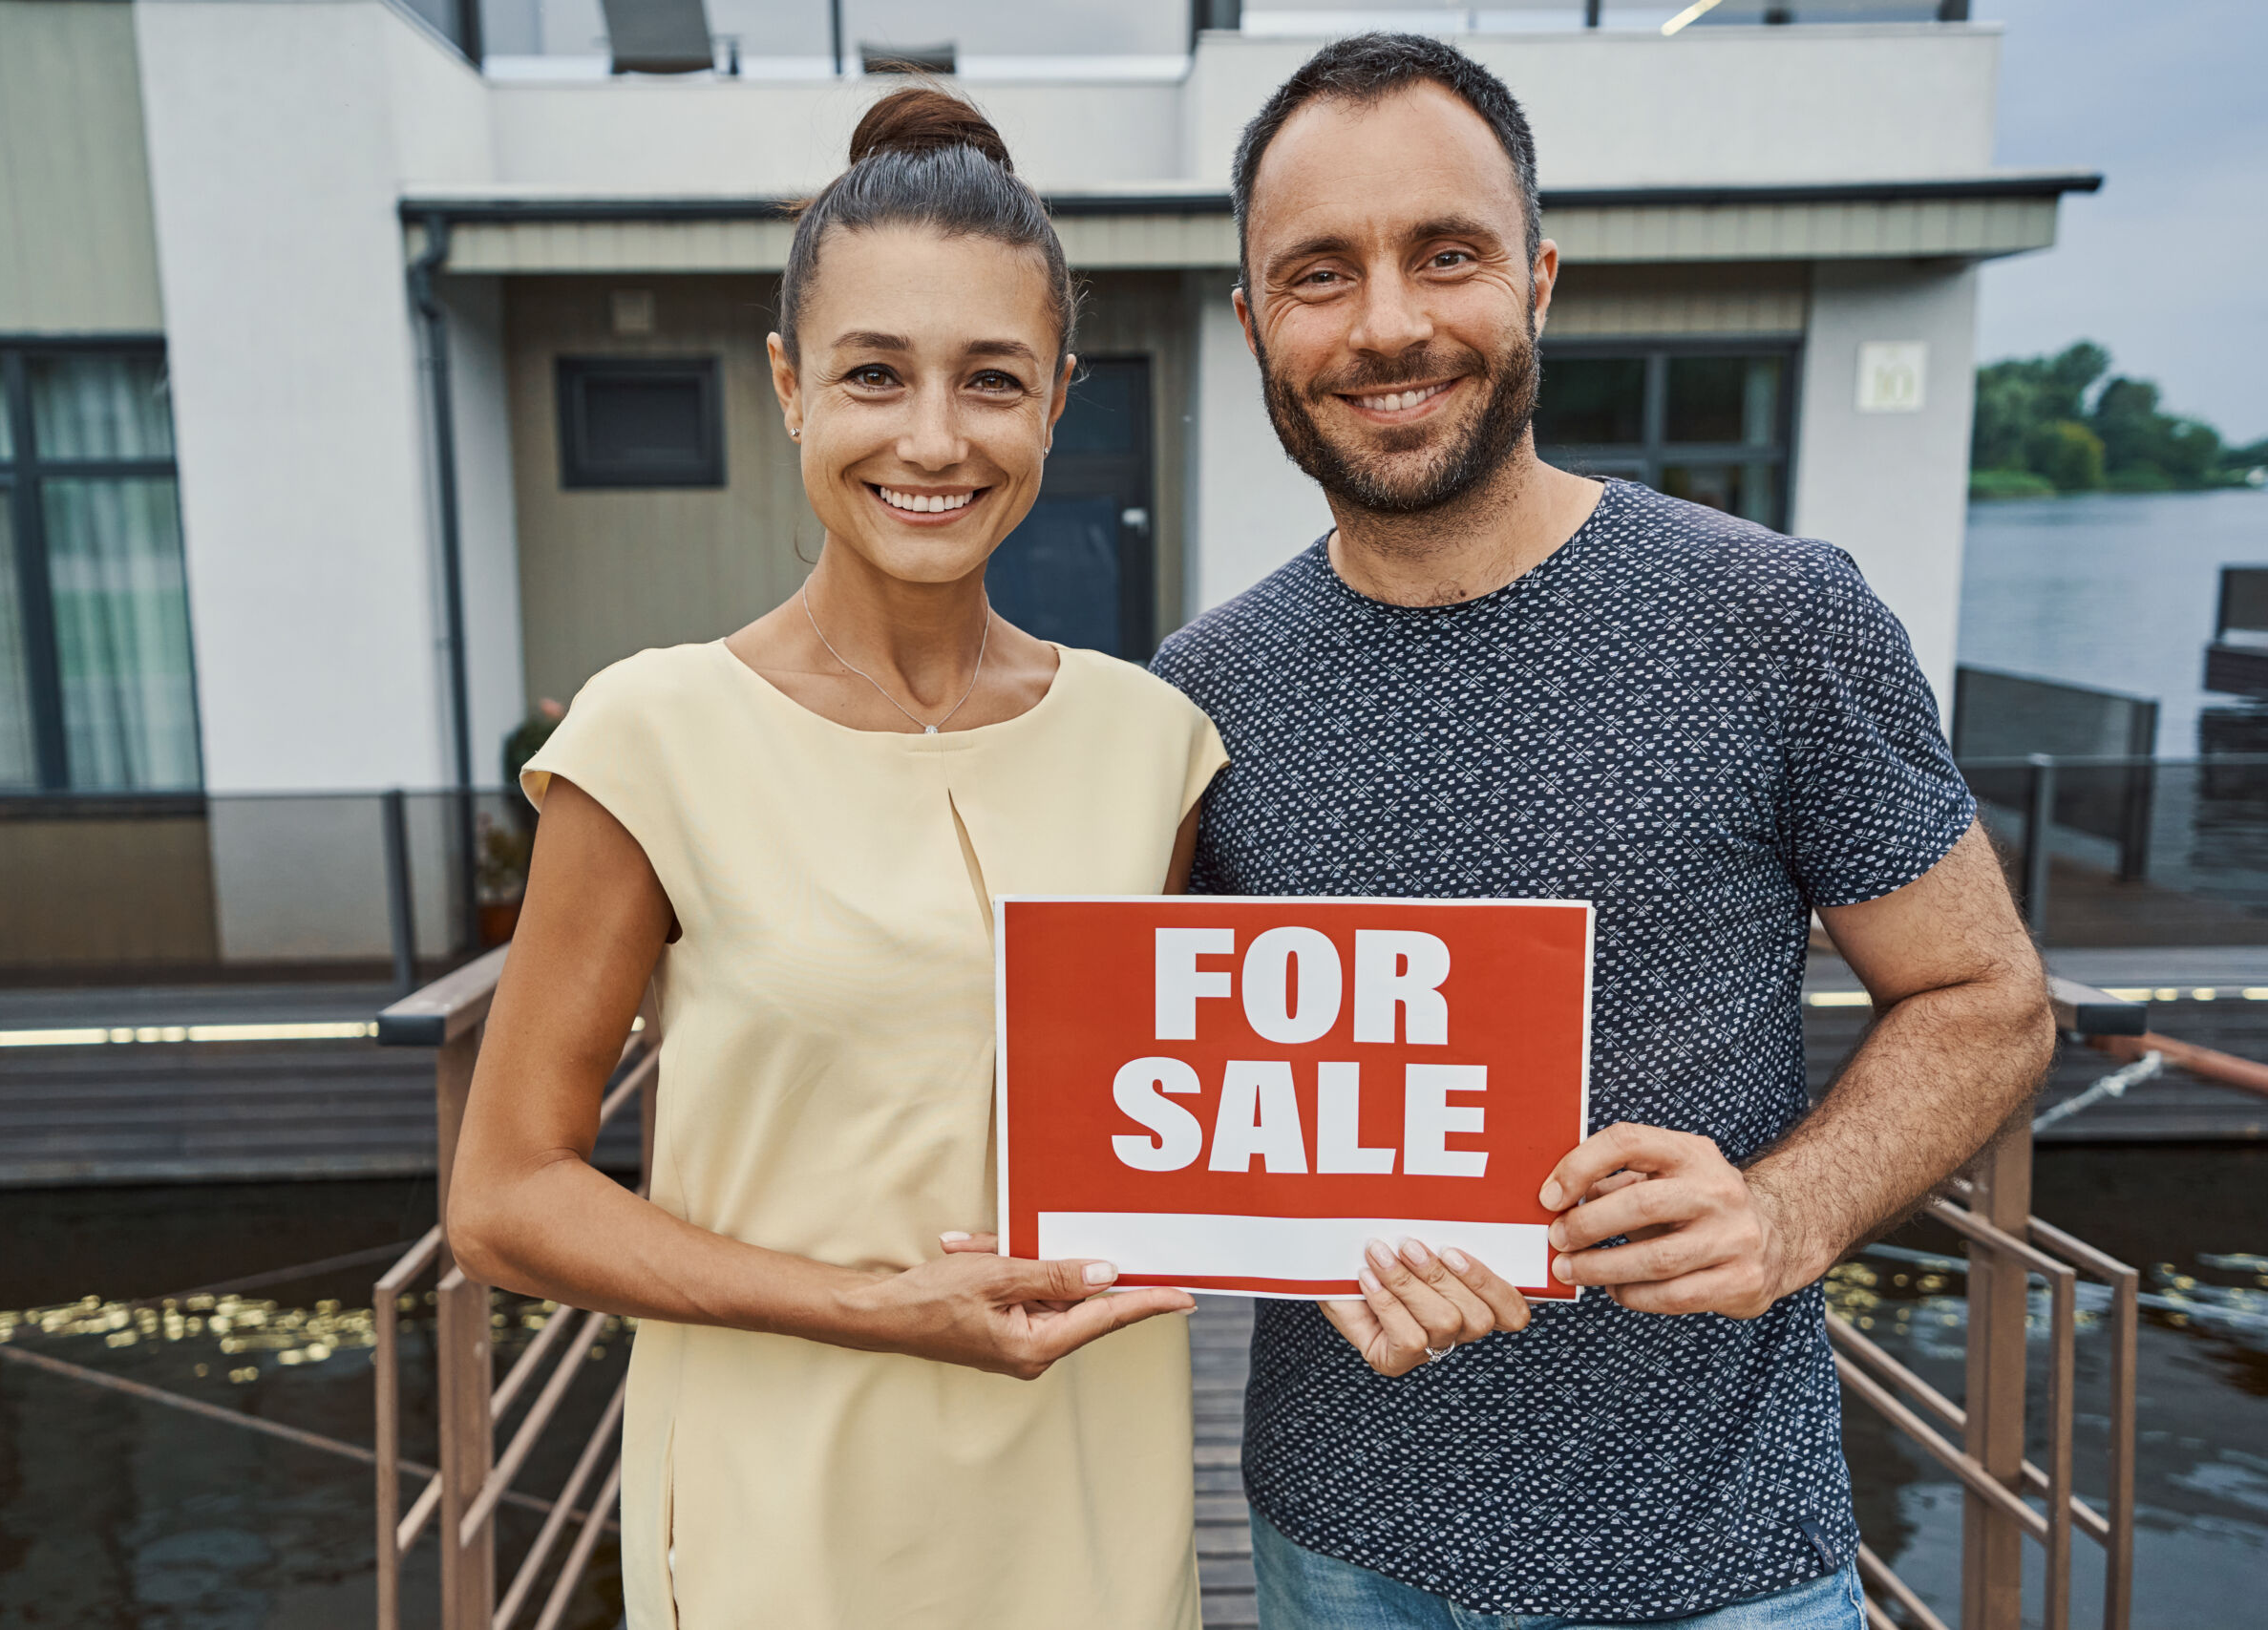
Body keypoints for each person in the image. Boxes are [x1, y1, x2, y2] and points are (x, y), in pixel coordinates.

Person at [1150, 33, 2054, 1630]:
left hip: (1713, 1563)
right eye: (1319, 273)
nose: (1390, 324)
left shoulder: (1776, 615)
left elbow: (1989, 1000)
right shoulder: (1199, 698)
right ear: (1251, 325)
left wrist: (1785, 1210)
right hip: (1334, 1547)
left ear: (1540, 279)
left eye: (1448, 254)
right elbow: (1162, 1093)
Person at [447, 88, 1231, 1630]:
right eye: (876, 375)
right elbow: (505, 1197)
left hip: (1092, 1516)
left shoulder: (1156, 745)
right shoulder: (652, 733)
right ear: (790, 387)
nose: (932, 440)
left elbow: (1216, 1127)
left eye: (991, 381)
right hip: (779, 1529)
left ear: (1057, 401)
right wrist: (881, 1311)